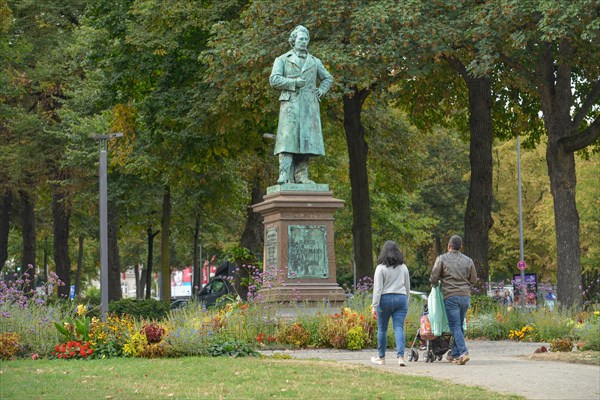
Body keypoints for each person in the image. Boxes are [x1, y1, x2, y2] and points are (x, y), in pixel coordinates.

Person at [270, 25, 334, 184]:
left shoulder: (314, 61)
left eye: (306, 39)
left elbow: (328, 78)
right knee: (287, 140)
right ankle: (284, 174)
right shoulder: (283, 59)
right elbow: (274, 80)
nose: (304, 42)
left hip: (309, 106)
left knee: (307, 141)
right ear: (293, 41)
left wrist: (321, 90)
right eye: (301, 39)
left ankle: (301, 175)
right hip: (290, 104)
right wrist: (294, 83)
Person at [430, 235, 477, 365]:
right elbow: (473, 279)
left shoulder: (442, 259)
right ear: (460, 247)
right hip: (465, 296)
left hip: (450, 296)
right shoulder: (468, 260)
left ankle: (463, 352)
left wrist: (434, 285)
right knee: (459, 325)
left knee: (455, 325)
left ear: (449, 246)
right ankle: (454, 354)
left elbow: (434, 276)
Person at [370, 241, 411, 367]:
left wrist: (374, 305)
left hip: (384, 299)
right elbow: (407, 285)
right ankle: (400, 357)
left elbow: (378, 289)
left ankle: (381, 358)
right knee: (399, 328)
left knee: (382, 329)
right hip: (401, 298)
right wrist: (406, 300)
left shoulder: (380, 268)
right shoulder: (403, 267)